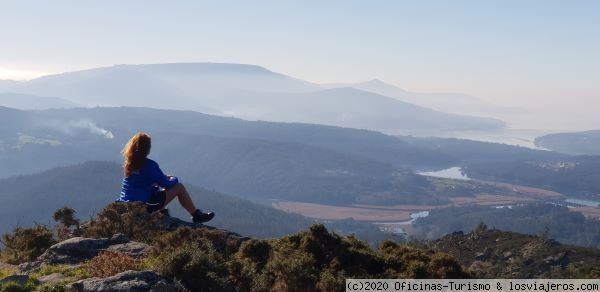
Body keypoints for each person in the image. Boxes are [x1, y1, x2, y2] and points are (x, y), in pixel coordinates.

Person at [117, 132, 214, 223]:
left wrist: (160, 178)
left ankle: (162, 212)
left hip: (125, 205)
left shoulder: (129, 163)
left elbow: (142, 180)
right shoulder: (150, 165)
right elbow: (167, 184)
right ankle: (196, 215)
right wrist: (173, 178)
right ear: (148, 148)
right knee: (179, 187)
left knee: (154, 185)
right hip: (143, 207)